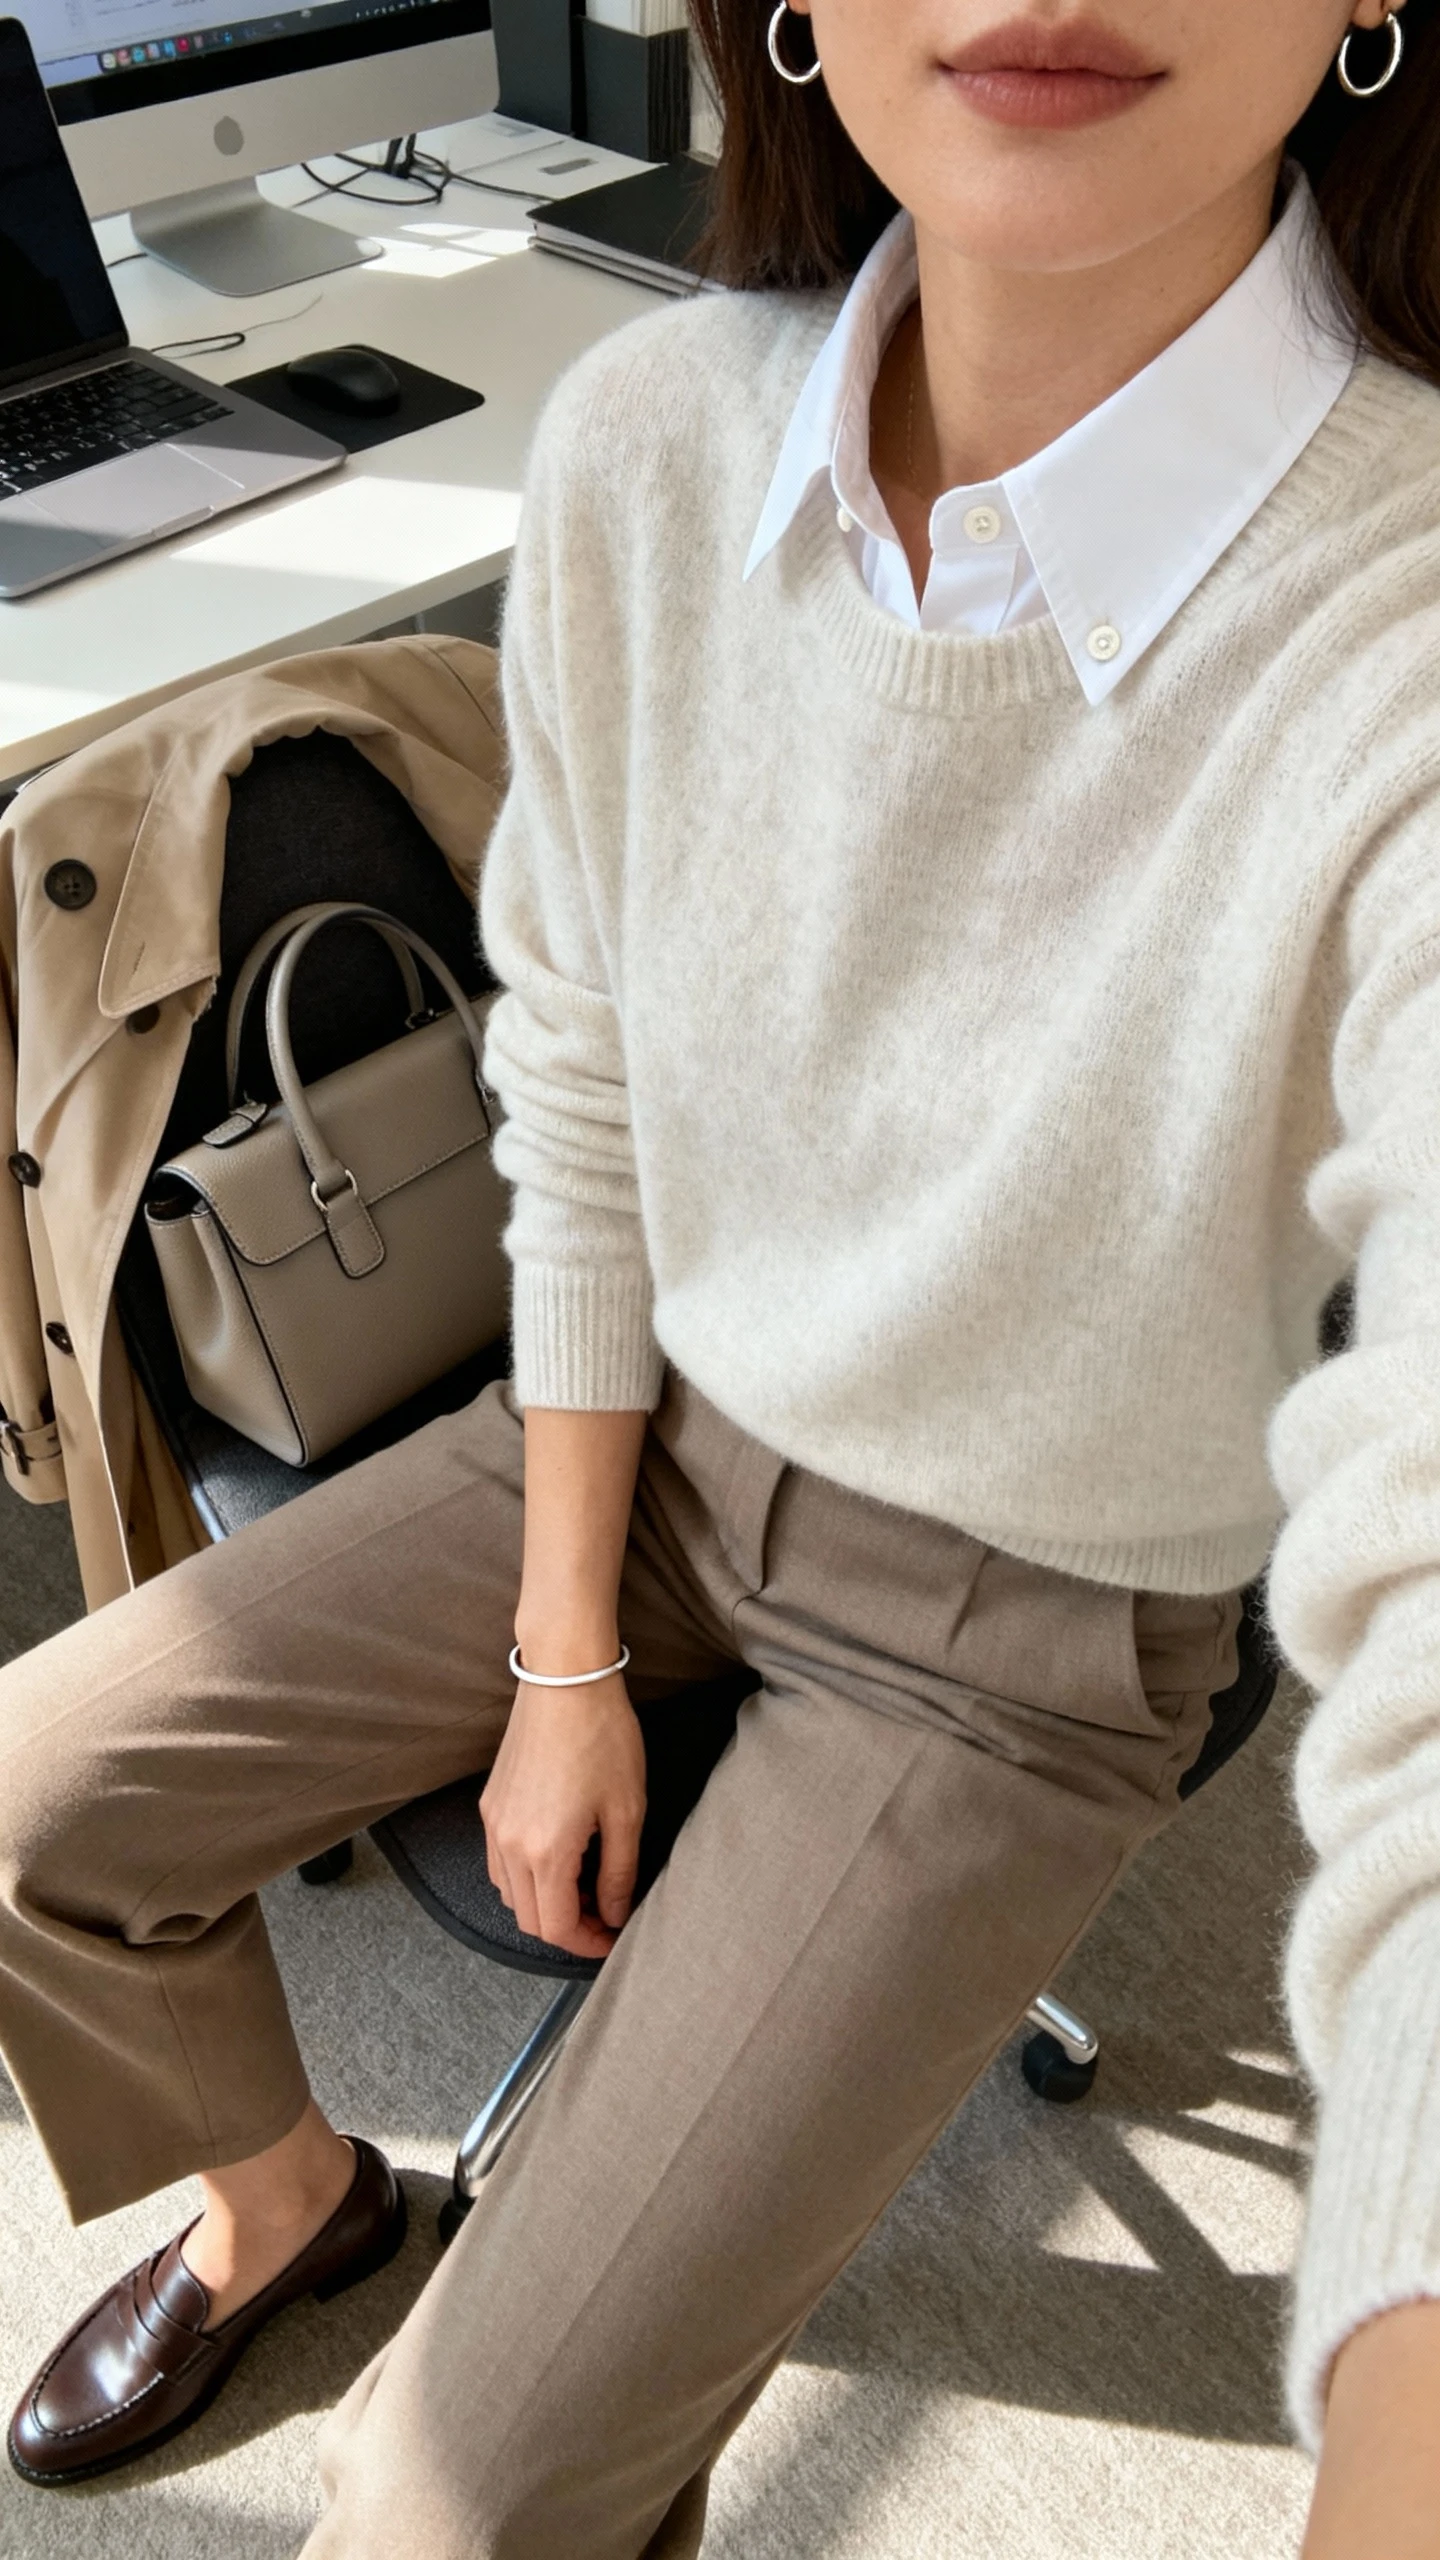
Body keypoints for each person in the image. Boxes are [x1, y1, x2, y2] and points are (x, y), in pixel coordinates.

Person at [2, 0, 1438, 2548]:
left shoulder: (1402, 603)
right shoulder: (655, 438)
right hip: (647, 1433)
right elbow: (581, 1068)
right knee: (28, 1805)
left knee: (444, 2506)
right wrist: (566, 1635)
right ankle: (292, 2199)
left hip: (1027, 1613)